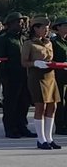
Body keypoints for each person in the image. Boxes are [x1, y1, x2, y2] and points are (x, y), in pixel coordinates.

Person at [0, 12, 34, 139]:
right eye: (18, 21)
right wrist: (4, 78)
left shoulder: (23, 38)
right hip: (11, 75)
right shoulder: (4, 38)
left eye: (22, 21)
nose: (21, 24)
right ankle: (10, 128)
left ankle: (22, 126)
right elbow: (1, 59)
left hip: (24, 74)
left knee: (24, 102)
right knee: (11, 103)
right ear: (10, 24)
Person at [22, 16, 60, 150]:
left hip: (50, 76)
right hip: (37, 76)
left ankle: (49, 138)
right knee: (40, 107)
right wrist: (35, 63)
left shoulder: (49, 42)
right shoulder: (29, 43)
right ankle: (41, 139)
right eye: (43, 28)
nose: (46, 30)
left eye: (48, 28)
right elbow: (24, 62)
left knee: (52, 106)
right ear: (35, 28)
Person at [53, 18, 67, 139]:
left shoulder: (65, 41)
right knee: (60, 101)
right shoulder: (54, 42)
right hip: (58, 75)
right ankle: (60, 125)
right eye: (65, 25)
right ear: (58, 27)